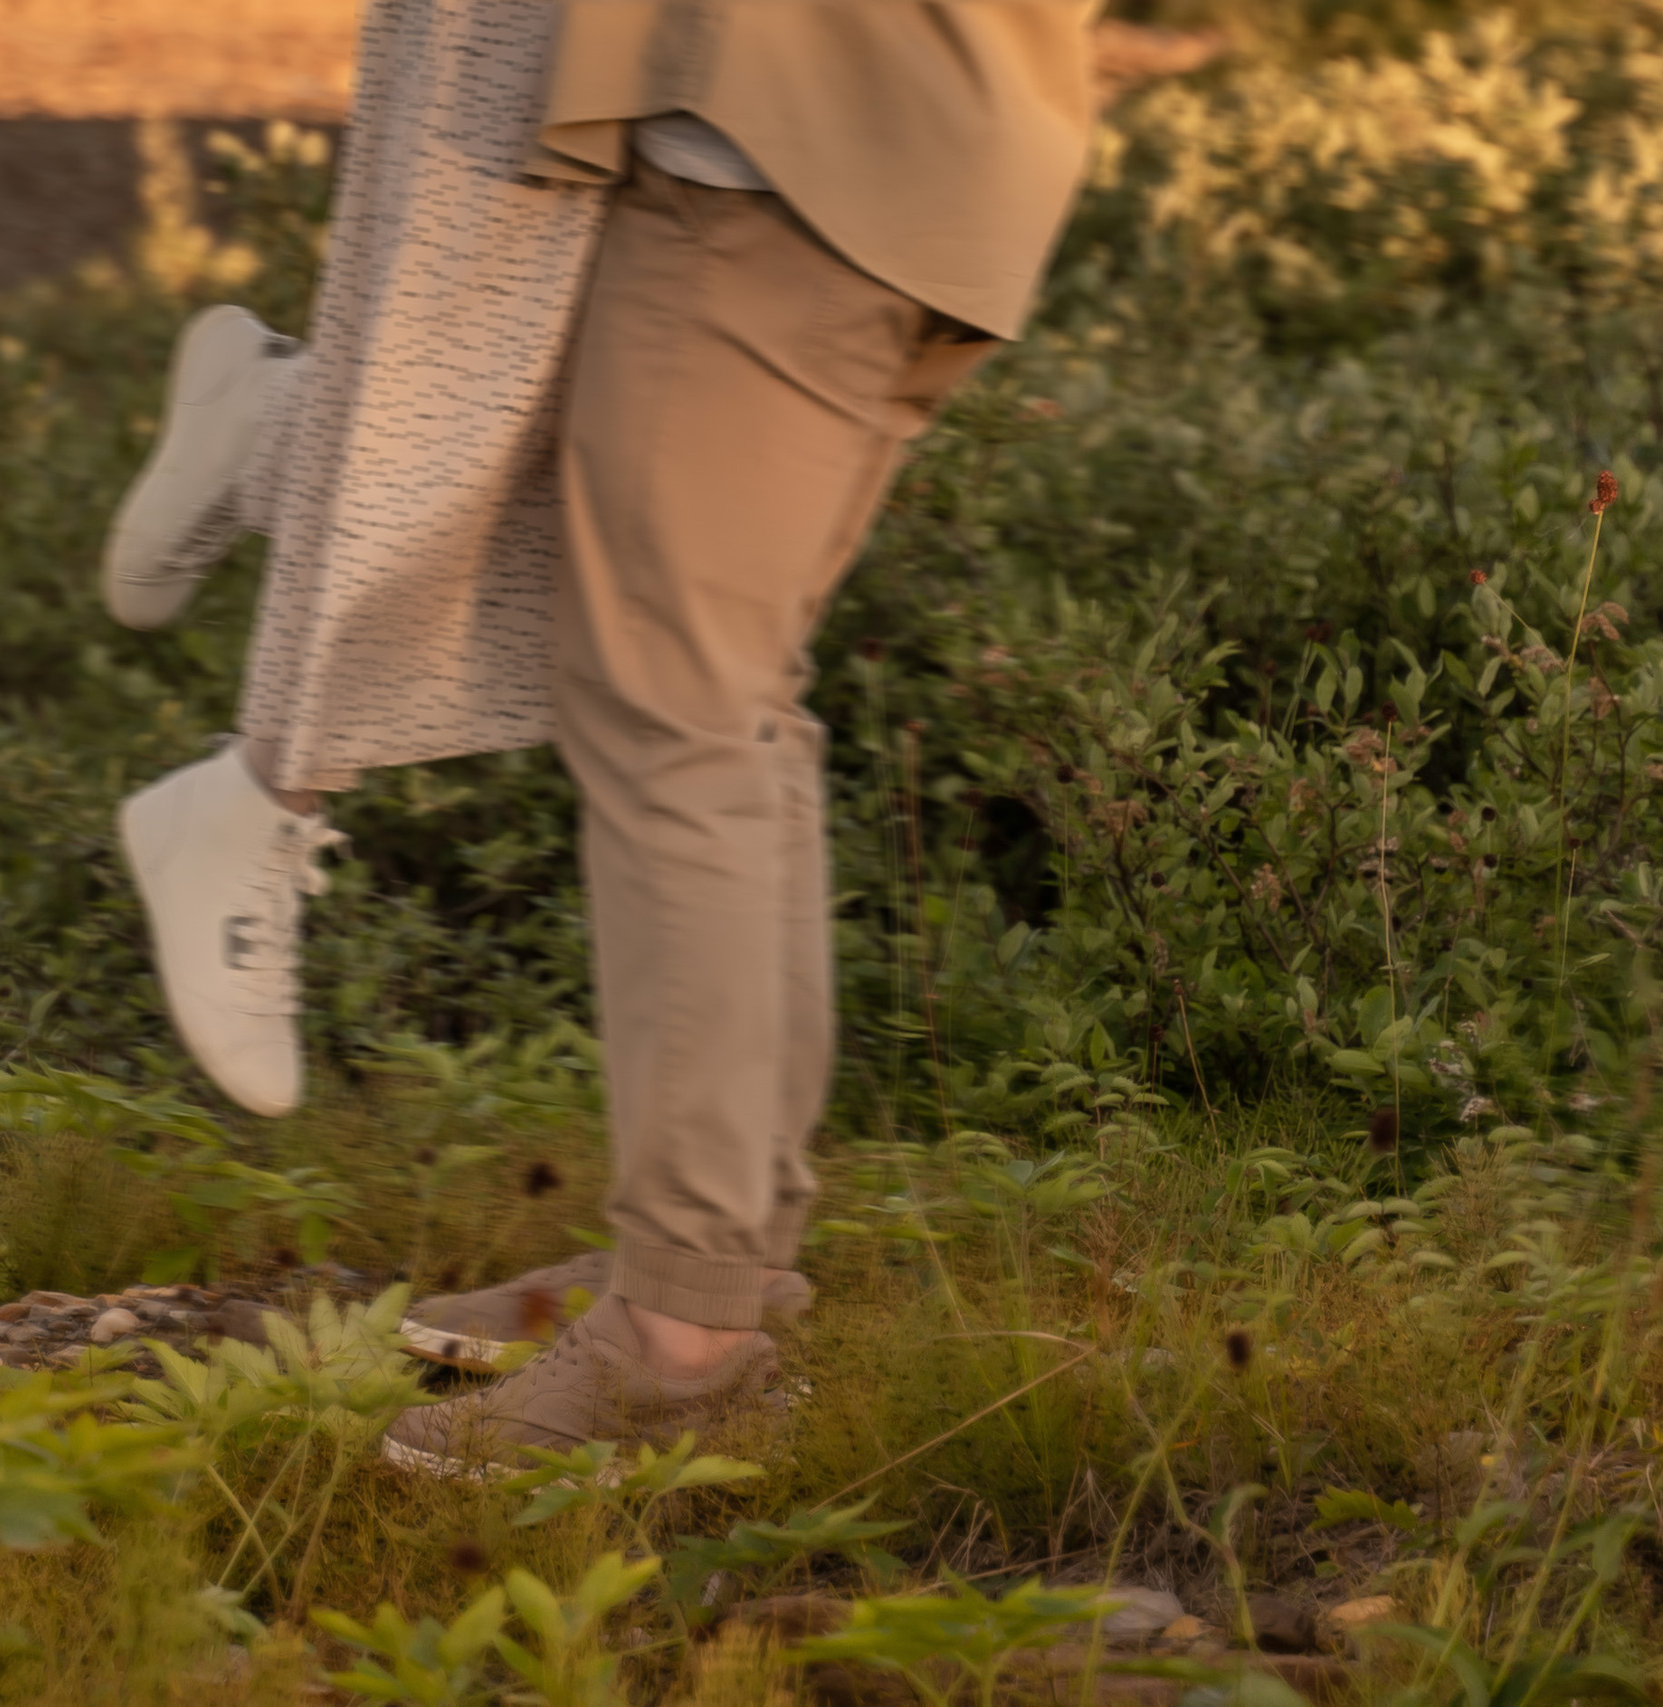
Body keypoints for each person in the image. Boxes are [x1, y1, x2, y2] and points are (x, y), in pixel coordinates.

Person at [104, 0, 1101, 1477]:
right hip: (928, 144)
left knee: (684, 723)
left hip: (777, 147)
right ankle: (721, 1275)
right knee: (732, 707)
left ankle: (681, 1343)